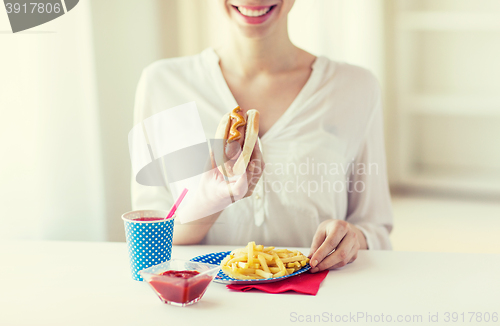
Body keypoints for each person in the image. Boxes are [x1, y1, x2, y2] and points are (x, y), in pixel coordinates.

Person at [132, 0, 393, 273]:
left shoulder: (355, 87)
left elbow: (375, 229)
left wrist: (351, 238)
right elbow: (149, 241)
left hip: (317, 302)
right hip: (207, 305)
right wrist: (212, 199)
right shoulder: (161, 84)